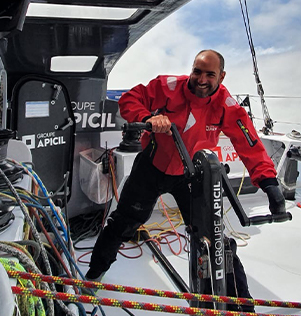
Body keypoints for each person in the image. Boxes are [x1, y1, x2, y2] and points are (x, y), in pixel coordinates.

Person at [86, 49, 285, 311]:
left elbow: (249, 144)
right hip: (152, 167)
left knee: (215, 237)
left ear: (221, 77)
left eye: (210, 74)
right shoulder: (168, 86)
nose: (201, 79)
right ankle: (93, 277)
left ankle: (242, 306)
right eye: (197, 71)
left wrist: (270, 184)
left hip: (189, 174)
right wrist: (148, 118)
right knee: (124, 222)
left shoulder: (227, 106)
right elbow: (130, 99)